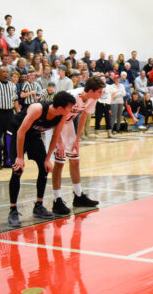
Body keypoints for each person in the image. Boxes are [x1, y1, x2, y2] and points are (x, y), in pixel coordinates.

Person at [6, 92, 76, 227]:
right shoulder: (37, 109)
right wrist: (20, 157)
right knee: (17, 169)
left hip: (33, 135)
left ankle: (39, 206)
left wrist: (48, 159)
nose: (72, 110)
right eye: (70, 107)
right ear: (60, 107)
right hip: (17, 132)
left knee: (44, 167)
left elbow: (56, 135)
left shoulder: (63, 115)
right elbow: (21, 132)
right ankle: (13, 210)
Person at [49, 77, 104, 216]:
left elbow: (84, 116)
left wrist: (77, 139)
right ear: (91, 91)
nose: (101, 94)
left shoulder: (92, 99)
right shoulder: (72, 96)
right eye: (99, 91)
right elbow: (56, 116)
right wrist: (59, 141)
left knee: (75, 160)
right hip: (56, 126)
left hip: (68, 126)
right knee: (59, 163)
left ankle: (78, 196)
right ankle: (57, 200)